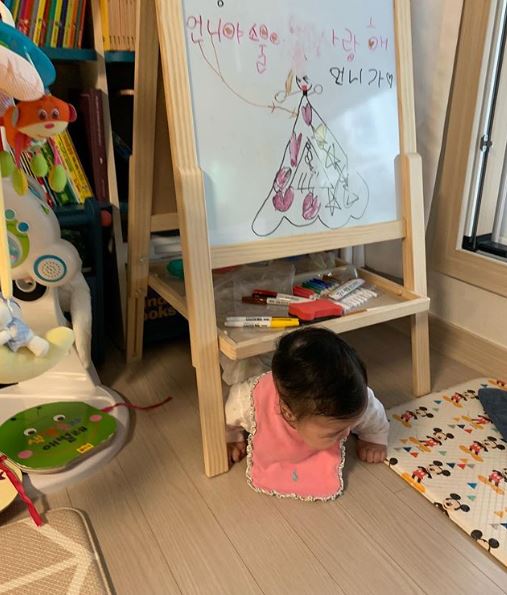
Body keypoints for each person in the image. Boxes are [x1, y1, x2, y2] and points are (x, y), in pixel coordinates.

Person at [225, 327, 389, 500]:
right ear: (288, 414)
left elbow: (374, 415)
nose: (347, 433)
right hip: (251, 370)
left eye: (350, 425)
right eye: (334, 432)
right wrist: (232, 438)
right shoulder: (249, 401)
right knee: (243, 366)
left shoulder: (351, 399)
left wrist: (373, 438)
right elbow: (230, 414)